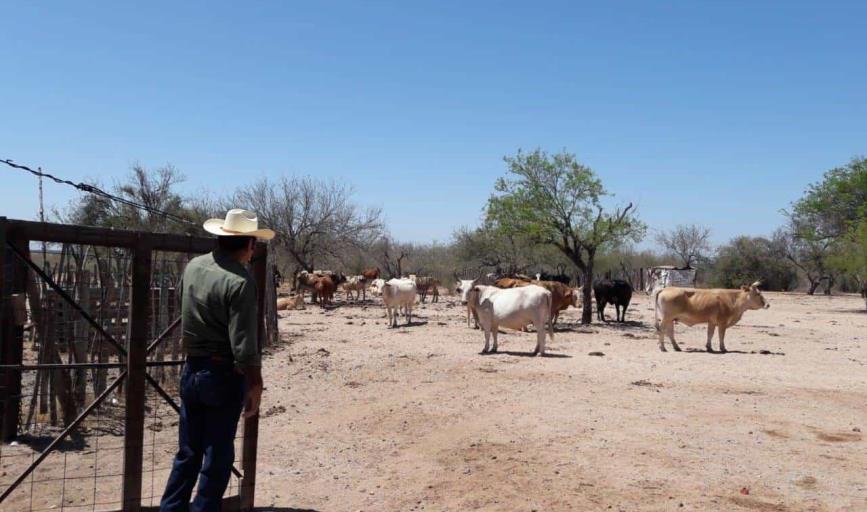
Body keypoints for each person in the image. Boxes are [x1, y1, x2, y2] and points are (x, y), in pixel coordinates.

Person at [161, 209, 275, 512]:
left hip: (192, 368)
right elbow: (243, 341)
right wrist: (255, 382)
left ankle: (170, 508)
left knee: (188, 452)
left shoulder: (194, 267)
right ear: (249, 244)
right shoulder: (240, 281)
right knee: (218, 456)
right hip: (222, 373)